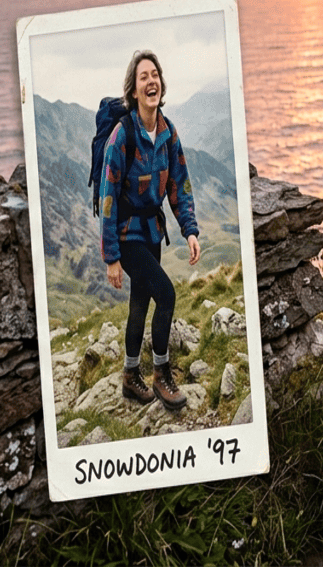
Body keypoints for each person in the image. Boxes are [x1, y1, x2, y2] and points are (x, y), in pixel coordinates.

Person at [101, 50, 201, 411]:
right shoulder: (121, 135)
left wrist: (189, 230)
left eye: (155, 74)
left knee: (140, 302)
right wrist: (111, 256)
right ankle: (161, 374)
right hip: (128, 233)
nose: (151, 81)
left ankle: (130, 377)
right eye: (144, 76)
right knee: (167, 295)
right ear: (133, 89)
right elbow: (108, 195)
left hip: (153, 231)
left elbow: (180, 184)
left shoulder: (167, 131)